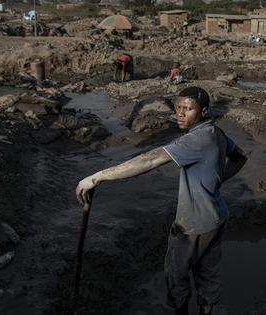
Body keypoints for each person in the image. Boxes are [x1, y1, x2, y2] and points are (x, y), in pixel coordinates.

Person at [76, 86, 247, 315]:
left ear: (203, 111)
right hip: (216, 218)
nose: (180, 113)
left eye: (188, 109)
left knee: (177, 276)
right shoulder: (216, 133)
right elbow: (240, 157)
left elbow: (149, 160)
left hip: (192, 226)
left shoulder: (196, 140)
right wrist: (216, 180)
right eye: (178, 107)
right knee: (208, 275)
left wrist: (97, 177)